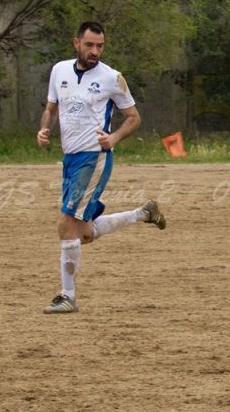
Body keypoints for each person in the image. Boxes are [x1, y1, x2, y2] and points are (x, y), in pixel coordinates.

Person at [37, 21, 166, 314]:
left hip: (93, 158)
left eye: (100, 46)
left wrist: (114, 137)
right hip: (70, 159)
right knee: (82, 234)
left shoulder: (112, 78)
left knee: (64, 223)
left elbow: (133, 117)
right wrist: (44, 129)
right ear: (76, 43)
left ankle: (67, 295)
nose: (95, 51)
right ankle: (142, 214)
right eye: (90, 45)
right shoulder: (59, 70)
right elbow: (51, 108)